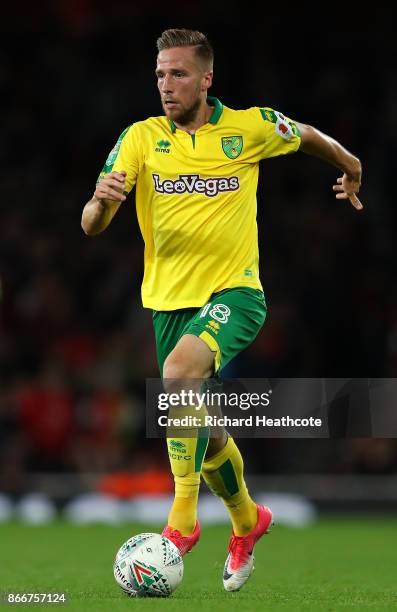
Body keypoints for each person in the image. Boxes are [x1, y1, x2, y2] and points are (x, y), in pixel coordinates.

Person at [81, 28, 363, 592]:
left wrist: (351, 165)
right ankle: (247, 519)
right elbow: (91, 223)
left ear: (207, 79)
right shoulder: (138, 139)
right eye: (160, 73)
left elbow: (307, 135)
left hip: (236, 294)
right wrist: (102, 202)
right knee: (200, 430)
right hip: (168, 303)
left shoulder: (249, 127)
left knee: (178, 378)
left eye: (178, 73)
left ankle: (181, 522)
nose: (166, 84)